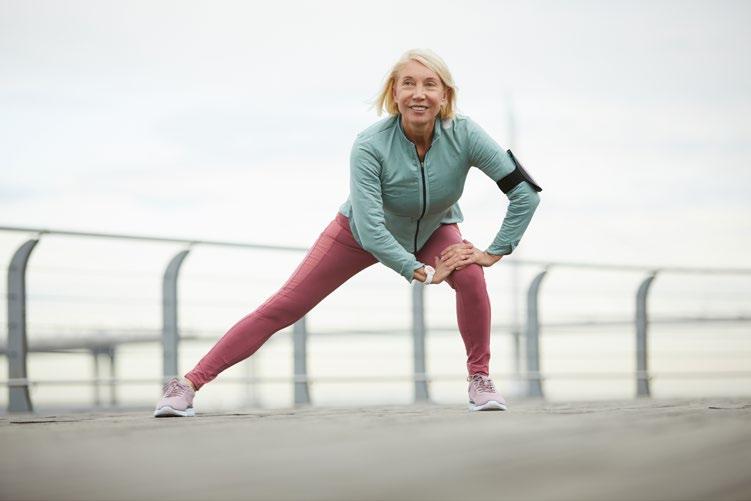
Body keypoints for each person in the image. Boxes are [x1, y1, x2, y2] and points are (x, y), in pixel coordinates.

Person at [154, 48, 541, 417]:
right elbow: (371, 229)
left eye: (430, 84)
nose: (418, 94)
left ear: (445, 95)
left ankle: (480, 379)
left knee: (470, 272)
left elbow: (525, 194)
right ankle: (187, 384)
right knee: (285, 305)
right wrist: (421, 271)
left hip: (434, 230)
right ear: (394, 93)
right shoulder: (370, 145)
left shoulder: (465, 134)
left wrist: (493, 252)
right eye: (408, 83)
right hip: (357, 234)